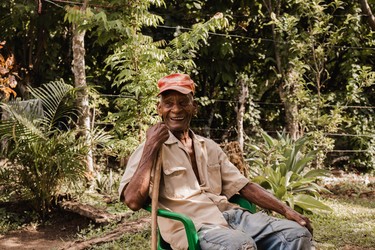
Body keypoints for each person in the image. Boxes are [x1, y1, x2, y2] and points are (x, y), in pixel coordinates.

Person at [119, 73, 313, 250]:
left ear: (194, 107)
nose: (176, 109)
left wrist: (286, 210)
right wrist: (151, 146)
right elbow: (133, 201)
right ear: (160, 109)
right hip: (194, 227)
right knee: (240, 246)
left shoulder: (209, 147)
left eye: (183, 102)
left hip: (232, 217)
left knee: (296, 235)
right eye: (169, 103)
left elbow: (244, 187)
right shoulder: (152, 149)